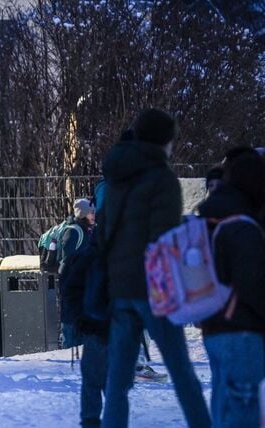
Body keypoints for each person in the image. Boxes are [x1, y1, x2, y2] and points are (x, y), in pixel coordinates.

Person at [98, 108, 210, 428]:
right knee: (182, 374)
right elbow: (164, 241)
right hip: (154, 291)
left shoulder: (116, 177)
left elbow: (105, 229)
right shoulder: (162, 178)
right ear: (166, 140)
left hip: (119, 289)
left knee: (118, 381)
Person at [196, 148, 265, 427]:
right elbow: (252, 282)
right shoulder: (242, 225)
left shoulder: (211, 218)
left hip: (214, 326)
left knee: (225, 408)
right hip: (241, 330)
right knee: (242, 411)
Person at [57, 198, 106, 427]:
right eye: (90, 212)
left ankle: (91, 421)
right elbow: (68, 263)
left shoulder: (87, 236)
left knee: (94, 378)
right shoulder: (77, 233)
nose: (93, 215)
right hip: (98, 322)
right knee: (103, 380)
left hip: (93, 321)